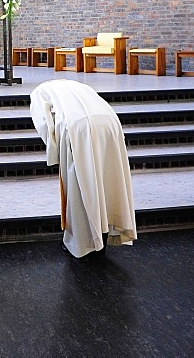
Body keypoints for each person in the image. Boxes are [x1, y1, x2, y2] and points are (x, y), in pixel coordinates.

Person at [30, 79, 137, 258]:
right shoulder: (81, 86)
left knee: (81, 185)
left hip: (78, 127)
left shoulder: (39, 91)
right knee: (109, 179)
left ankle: (84, 244)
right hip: (109, 123)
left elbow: (44, 123)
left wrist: (54, 154)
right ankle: (104, 234)